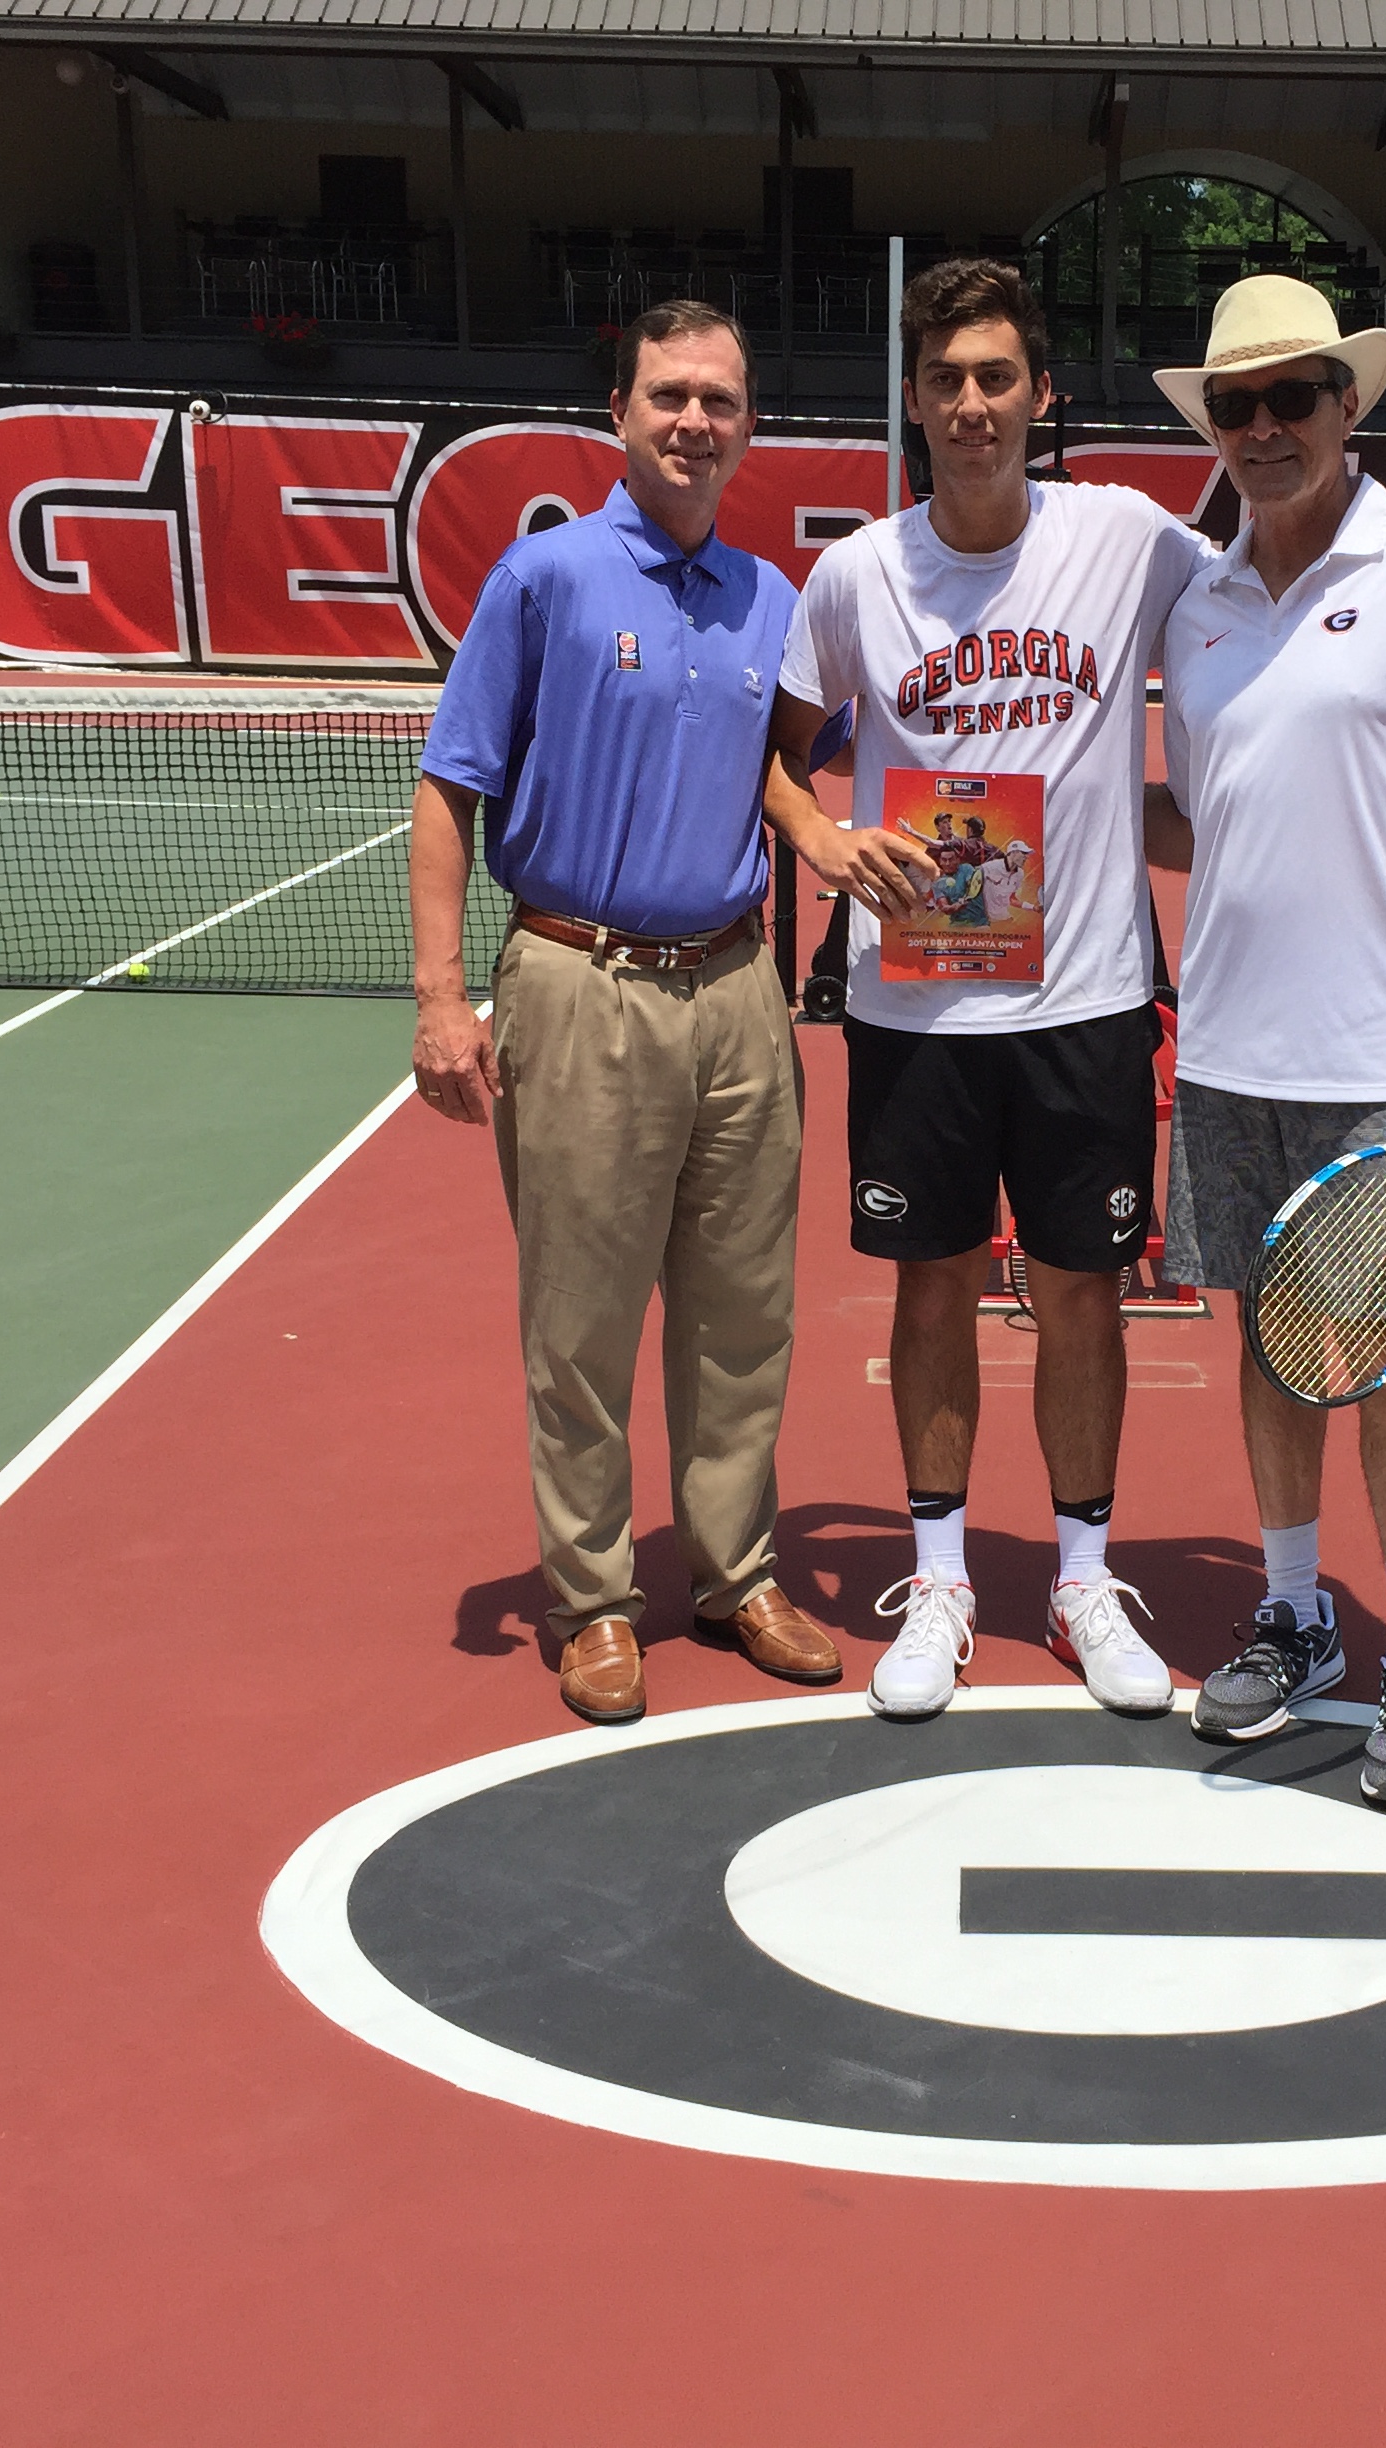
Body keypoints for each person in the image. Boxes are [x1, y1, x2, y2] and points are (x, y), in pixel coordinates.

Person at [409, 298, 922, 1726]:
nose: (695, 421)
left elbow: (780, 767)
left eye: (721, 400)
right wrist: (443, 998)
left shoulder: (774, 597)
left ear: (750, 424)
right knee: (579, 1323)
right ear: (621, 414)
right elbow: (452, 786)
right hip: (581, 988)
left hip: (740, 988)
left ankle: (736, 1571)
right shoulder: (545, 580)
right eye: (669, 396)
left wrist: (818, 837)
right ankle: (588, 1602)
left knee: (744, 1314)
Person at [762, 257, 1205, 1725]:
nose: (971, 404)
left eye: (996, 378)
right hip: (914, 1010)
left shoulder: (1128, 541)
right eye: (946, 379)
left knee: (1084, 1295)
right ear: (912, 399)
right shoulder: (855, 576)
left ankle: (1082, 1575)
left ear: (1039, 396)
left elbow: (1268, 591)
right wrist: (825, 834)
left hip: (1084, 1003)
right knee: (933, 1285)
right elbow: (769, 745)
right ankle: (942, 1573)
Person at [1144, 275, 1386, 1811]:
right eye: (1234, 407)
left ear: (1346, 406)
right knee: (1266, 1336)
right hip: (1231, 1048)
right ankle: (1300, 1616)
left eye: (1290, 398)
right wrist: (1049, 813)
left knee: (1385, 1360)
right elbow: (1205, 809)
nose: (1263, 428)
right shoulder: (1200, 599)